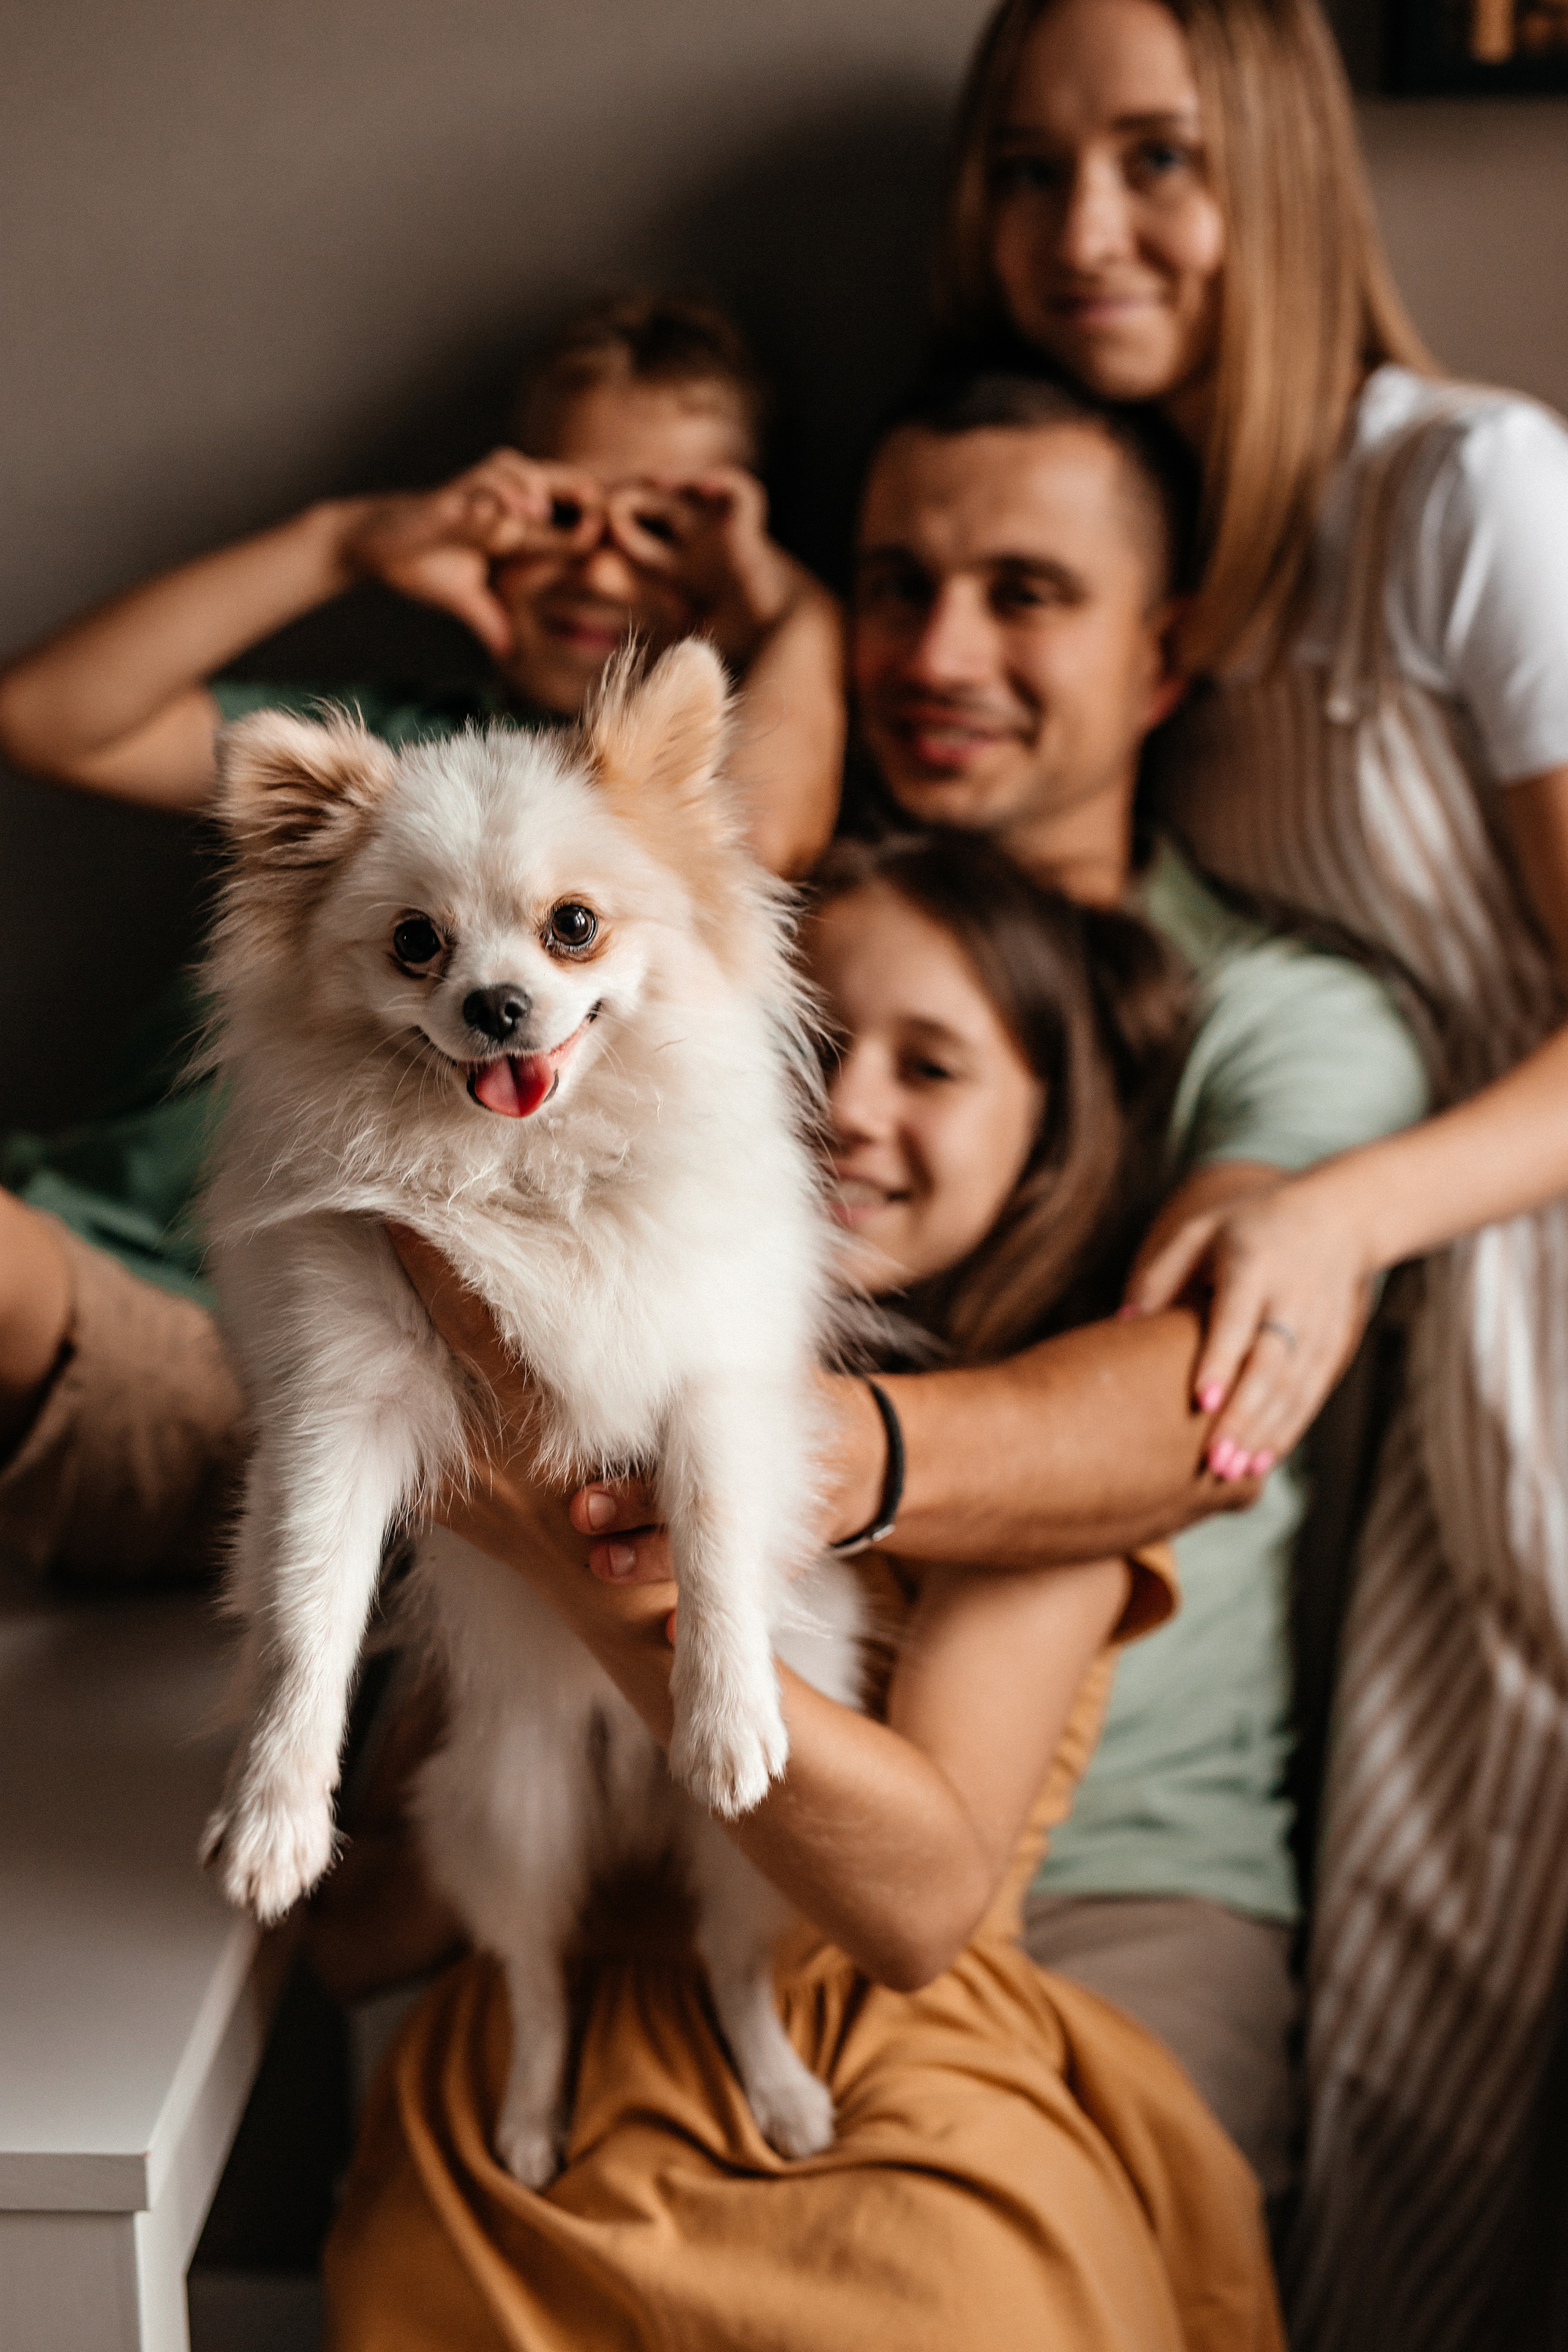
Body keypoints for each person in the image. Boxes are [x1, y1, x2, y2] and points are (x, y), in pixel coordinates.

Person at [513, 366, 1430, 2204]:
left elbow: (1195, 1398)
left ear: (1165, 656)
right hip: (697, 1818)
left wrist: (769, 1464)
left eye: (1026, 592)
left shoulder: (1281, 1018)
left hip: (1114, 1877)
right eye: (896, 585)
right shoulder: (759, 955)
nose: (938, 650)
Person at [935, 2, 1568, 2340]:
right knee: (1411, 1972)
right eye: (1025, 166)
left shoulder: (1461, 493)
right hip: (1365, 1315)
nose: (1079, 231)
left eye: (1157, 159)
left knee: (1497, 1931)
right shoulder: (1135, 543)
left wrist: (1339, 1205)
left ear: (1283, 170)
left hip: (1486, 1246)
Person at [322, 827, 1286, 2352]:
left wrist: (587, 1570)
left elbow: (915, 1915)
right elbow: (364, 1922)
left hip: (875, 2063)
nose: (845, 1109)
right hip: (533, 2091)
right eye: (815, 1039)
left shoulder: (1046, 1462)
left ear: (1044, 1134)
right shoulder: (520, 1394)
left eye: (934, 1069)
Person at [0, 292, 843, 1591]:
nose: (599, 561)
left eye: (663, 522)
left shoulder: (662, 825)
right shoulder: (369, 765)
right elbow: (52, 717)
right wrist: (349, 541)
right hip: (67, 1217)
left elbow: (766, 825)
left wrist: (793, 611)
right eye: (561, 508)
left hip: (215, 1320)